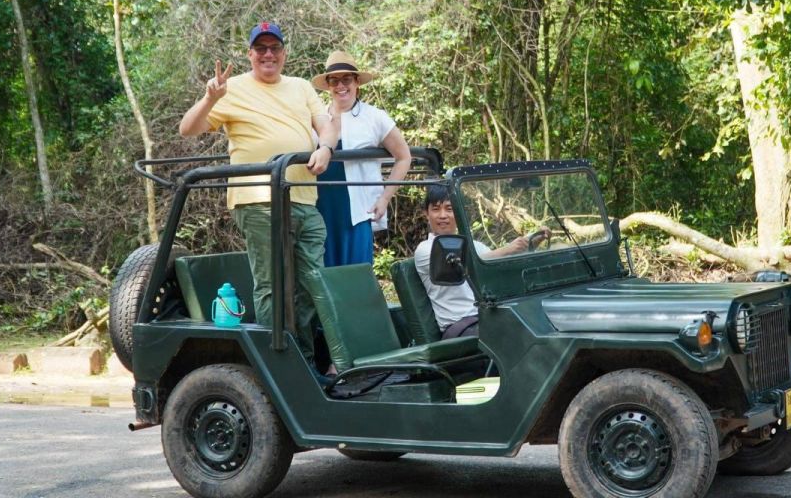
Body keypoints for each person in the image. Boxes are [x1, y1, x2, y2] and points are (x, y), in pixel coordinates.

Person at [179, 21, 337, 363]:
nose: (268, 54)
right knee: (273, 284)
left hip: (303, 196)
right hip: (258, 200)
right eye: (261, 48)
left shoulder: (299, 87)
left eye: (274, 48)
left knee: (313, 283)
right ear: (250, 54)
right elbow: (188, 129)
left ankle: (304, 362)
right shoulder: (230, 88)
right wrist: (210, 98)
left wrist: (325, 148)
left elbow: (326, 124)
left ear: (283, 53)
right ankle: (278, 367)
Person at [312, 51, 412, 267]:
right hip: (320, 210)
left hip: (356, 212)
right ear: (328, 85)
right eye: (334, 80)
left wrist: (385, 198)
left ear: (357, 82)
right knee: (322, 277)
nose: (341, 86)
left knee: (355, 275)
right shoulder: (317, 117)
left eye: (346, 79)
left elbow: (404, 156)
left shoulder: (374, 117)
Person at [414, 184, 543, 339]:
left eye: (449, 209)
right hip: (458, 326)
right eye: (435, 209)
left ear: (459, 212)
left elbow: (497, 265)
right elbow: (464, 263)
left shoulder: (474, 245)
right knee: (513, 335)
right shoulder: (425, 249)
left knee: (538, 323)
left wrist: (528, 244)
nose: (443, 215)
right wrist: (509, 248)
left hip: (486, 317)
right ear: (426, 214)